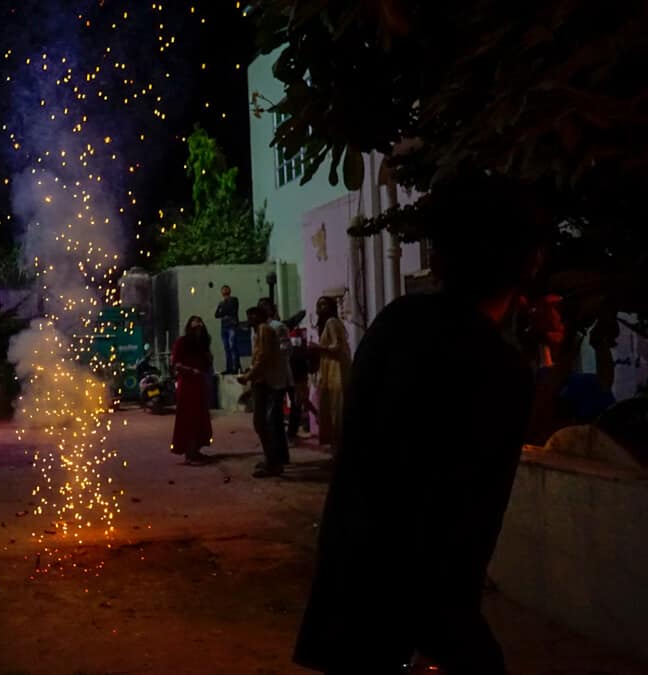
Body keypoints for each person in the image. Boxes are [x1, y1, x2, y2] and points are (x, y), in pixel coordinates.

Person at [293, 173, 552, 674]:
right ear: (529, 263)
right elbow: (465, 510)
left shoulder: (397, 324)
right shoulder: (496, 368)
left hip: (352, 595)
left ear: (438, 257)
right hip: (424, 621)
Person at [241, 304, 291, 477]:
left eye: (253, 315)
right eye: (249, 315)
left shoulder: (264, 330)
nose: (250, 319)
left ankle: (274, 462)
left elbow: (263, 358)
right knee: (267, 423)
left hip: (268, 383)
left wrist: (248, 376)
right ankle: (273, 460)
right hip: (265, 381)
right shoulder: (259, 331)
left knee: (264, 423)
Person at [310, 296, 352, 454]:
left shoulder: (331, 322)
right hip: (331, 369)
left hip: (337, 371)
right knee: (332, 408)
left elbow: (336, 347)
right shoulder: (328, 323)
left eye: (324, 304)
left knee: (337, 409)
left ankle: (340, 450)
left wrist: (317, 348)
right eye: (319, 304)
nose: (321, 307)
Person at [171, 315, 215, 464]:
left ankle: (196, 450)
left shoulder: (202, 345)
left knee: (200, 418)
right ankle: (189, 454)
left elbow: (206, 364)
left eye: (200, 328)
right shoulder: (182, 342)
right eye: (195, 328)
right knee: (188, 418)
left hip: (199, 384)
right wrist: (190, 371)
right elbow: (176, 364)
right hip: (187, 385)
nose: (198, 331)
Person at [214, 284, 241, 374]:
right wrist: (224, 312)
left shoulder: (234, 300)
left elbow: (231, 310)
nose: (224, 291)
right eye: (223, 290)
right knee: (227, 347)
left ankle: (235, 367)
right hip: (224, 327)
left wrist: (224, 312)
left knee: (232, 346)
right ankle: (229, 368)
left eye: (226, 289)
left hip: (232, 325)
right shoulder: (221, 303)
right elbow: (217, 314)